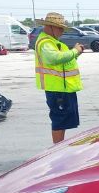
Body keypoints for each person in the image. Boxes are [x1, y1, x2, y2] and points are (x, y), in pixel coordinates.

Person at [34, 12, 84, 143]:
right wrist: (75, 51)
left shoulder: (53, 42)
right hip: (57, 89)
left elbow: (62, 62)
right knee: (59, 120)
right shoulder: (46, 43)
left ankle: (59, 148)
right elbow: (54, 58)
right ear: (50, 27)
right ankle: (57, 151)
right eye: (60, 28)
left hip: (63, 88)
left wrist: (75, 54)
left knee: (63, 120)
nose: (62, 31)